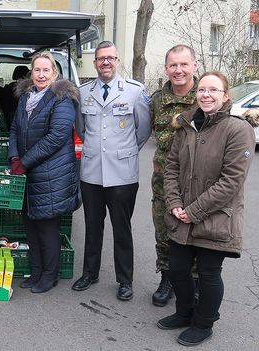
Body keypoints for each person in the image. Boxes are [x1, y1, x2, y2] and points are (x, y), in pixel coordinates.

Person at [159, 71, 256, 346]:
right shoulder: (188, 125)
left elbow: (231, 181)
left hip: (216, 217)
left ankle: (203, 323)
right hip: (183, 214)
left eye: (213, 90)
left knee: (209, 273)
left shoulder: (238, 129)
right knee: (177, 268)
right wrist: (176, 204)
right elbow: (171, 168)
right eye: (202, 90)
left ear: (225, 95)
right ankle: (184, 313)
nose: (206, 95)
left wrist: (193, 211)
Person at [72, 41, 151, 301]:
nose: (105, 62)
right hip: (92, 171)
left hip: (122, 173)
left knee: (122, 228)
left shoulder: (134, 92)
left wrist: (123, 151)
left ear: (118, 61)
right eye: (101, 58)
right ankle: (90, 273)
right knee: (93, 226)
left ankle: (125, 280)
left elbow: (142, 131)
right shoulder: (84, 93)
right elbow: (82, 129)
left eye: (110, 58)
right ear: (95, 63)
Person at [8, 51, 81, 293]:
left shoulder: (62, 99)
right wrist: (14, 156)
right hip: (28, 171)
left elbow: (56, 137)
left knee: (47, 226)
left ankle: (50, 276)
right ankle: (37, 271)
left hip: (51, 174)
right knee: (30, 224)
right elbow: (15, 129)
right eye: (37, 70)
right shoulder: (26, 97)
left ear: (54, 73)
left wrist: (25, 162)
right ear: (32, 72)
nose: (41, 74)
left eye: (46, 70)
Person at [149, 45, 199, 307]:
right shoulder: (157, 100)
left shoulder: (207, 95)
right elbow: (143, 132)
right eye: (173, 65)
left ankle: (195, 283)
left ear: (195, 65)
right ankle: (167, 279)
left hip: (198, 184)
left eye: (183, 64)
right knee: (164, 232)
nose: (178, 70)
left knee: (197, 234)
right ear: (166, 68)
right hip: (163, 184)